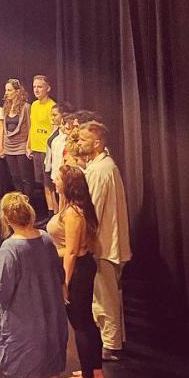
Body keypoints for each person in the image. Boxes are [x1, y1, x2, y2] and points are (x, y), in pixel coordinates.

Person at [0, 192, 68, 378]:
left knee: (30, 356)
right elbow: (59, 272)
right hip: (51, 308)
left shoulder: (10, 249)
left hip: (26, 313)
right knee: (51, 351)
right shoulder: (45, 238)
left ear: (7, 219)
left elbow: (0, 286)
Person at [77, 121, 132, 361]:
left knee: (106, 295)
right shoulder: (102, 166)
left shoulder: (100, 171)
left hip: (105, 245)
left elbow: (93, 211)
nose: (79, 143)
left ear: (97, 143)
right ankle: (113, 340)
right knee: (107, 294)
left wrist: (82, 240)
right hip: (106, 242)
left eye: (84, 140)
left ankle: (111, 344)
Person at [47, 165, 104, 378]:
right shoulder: (73, 208)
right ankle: (95, 370)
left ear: (68, 184)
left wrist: (65, 283)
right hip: (82, 266)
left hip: (77, 270)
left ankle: (87, 377)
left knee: (80, 323)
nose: (54, 181)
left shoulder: (73, 214)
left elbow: (71, 252)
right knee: (87, 320)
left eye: (58, 179)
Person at [0, 79, 34, 198]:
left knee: (25, 177)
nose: (6, 93)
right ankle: (19, 200)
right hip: (9, 146)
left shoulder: (26, 107)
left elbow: (30, 127)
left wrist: (28, 145)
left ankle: (27, 201)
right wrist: (2, 145)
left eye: (9, 90)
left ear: (17, 91)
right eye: (6, 90)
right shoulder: (6, 107)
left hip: (21, 145)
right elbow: (4, 127)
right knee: (15, 177)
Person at [29, 76, 58, 212]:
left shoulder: (52, 106)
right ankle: (50, 212)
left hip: (47, 151)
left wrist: (51, 149)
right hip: (36, 149)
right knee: (44, 184)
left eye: (40, 87)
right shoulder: (34, 105)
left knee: (50, 184)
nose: (36, 90)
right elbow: (32, 126)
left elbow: (54, 129)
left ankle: (56, 213)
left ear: (48, 88)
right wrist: (29, 144)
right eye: (34, 87)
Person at [42, 103, 74, 211]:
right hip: (55, 171)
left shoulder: (69, 136)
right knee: (58, 199)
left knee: (65, 202)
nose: (52, 118)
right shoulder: (57, 131)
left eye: (55, 115)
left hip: (64, 174)